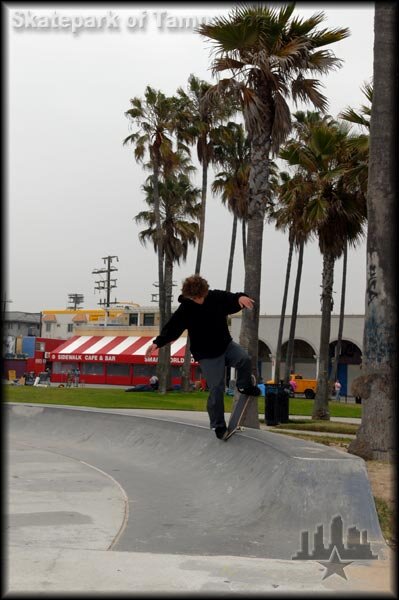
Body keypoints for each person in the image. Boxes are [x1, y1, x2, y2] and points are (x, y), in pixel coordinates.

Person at [145, 274, 260, 440]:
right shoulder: (186, 308)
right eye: (195, 298)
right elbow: (172, 328)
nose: (199, 300)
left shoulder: (214, 297)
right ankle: (218, 425)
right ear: (189, 296)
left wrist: (242, 297)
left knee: (244, 359)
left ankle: (244, 386)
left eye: (201, 297)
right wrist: (157, 343)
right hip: (207, 355)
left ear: (205, 292)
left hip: (225, 346)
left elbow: (231, 298)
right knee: (217, 388)